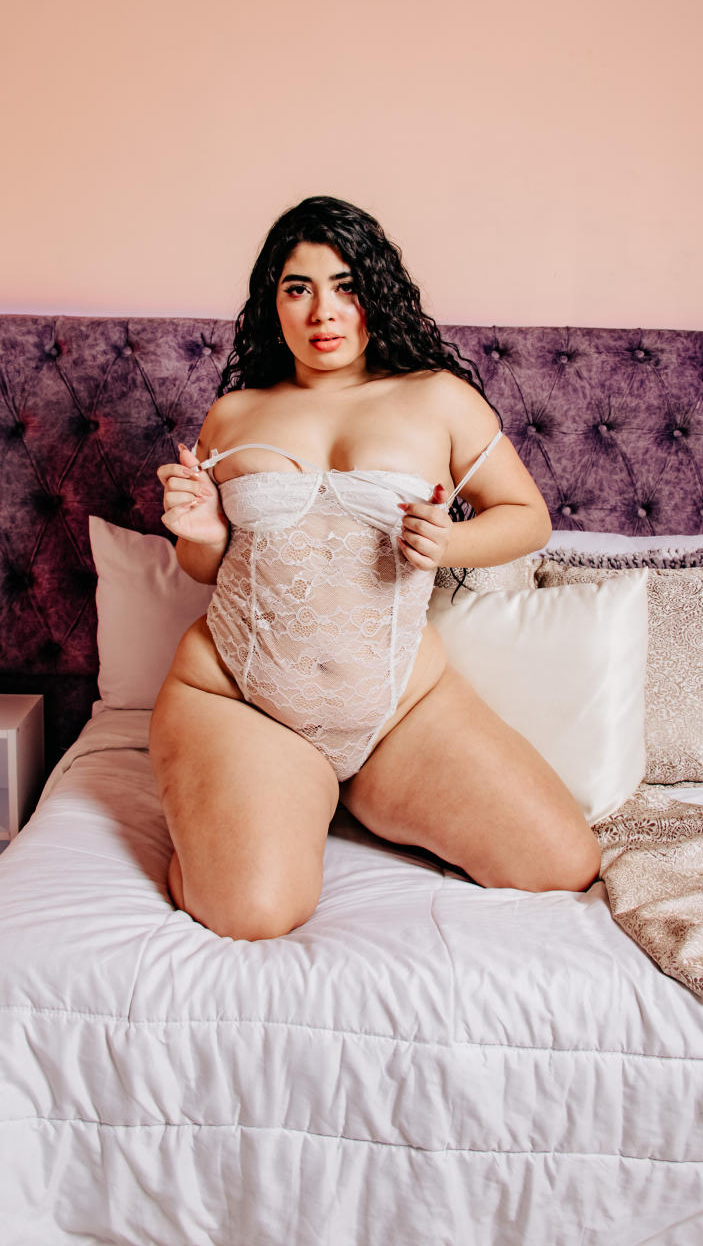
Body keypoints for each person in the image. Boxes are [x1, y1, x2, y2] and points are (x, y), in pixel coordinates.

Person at [150, 197, 600, 940]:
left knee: (563, 862)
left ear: (376, 292)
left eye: (346, 285)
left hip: (398, 709)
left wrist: (447, 545)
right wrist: (198, 532)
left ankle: (335, 794)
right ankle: (255, 802)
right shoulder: (234, 414)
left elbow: (529, 518)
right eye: (298, 288)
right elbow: (207, 567)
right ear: (273, 302)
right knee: (250, 913)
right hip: (238, 699)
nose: (322, 311)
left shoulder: (439, 398)